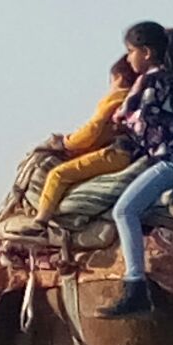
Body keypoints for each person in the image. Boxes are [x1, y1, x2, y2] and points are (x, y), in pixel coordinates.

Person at [98, 21, 173, 319]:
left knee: (124, 211)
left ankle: (135, 286)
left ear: (146, 53)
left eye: (130, 51)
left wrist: (115, 121)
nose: (128, 59)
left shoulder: (152, 80)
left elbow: (138, 120)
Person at [34, 55, 139, 223]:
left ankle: (41, 219)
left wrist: (66, 142)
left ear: (118, 78)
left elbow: (91, 131)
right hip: (130, 153)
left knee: (57, 175)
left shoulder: (117, 97)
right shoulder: (135, 98)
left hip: (116, 153)